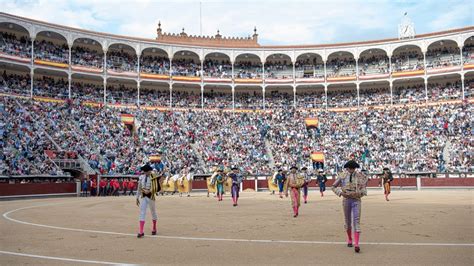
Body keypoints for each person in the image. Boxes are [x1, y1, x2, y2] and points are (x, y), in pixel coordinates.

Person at [332, 160, 368, 253]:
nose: (351, 169)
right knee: (348, 221)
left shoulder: (360, 176)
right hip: (346, 200)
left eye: (353, 168)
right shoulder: (342, 176)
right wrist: (341, 193)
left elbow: (364, 189)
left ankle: (356, 244)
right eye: (350, 168)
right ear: (347, 168)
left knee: (356, 221)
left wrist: (359, 193)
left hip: (356, 200)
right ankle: (349, 239)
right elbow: (333, 187)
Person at [136, 163, 161, 238]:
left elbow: (157, 188)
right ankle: (141, 231)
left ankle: (154, 227)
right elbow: (139, 188)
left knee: (153, 211)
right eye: (145, 171)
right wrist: (137, 197)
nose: (146, 172)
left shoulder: (154, 176)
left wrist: (150, 191)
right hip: (143, 196)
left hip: (151, 196)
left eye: (147, 171)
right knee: (142, 212)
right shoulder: (141, 177)